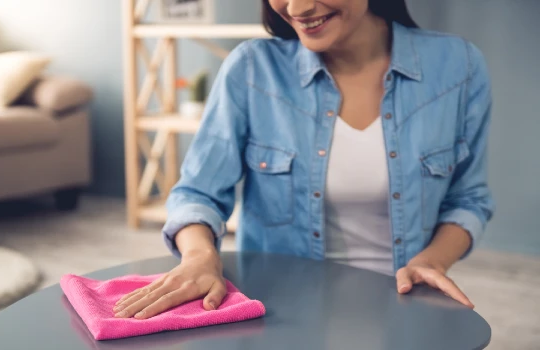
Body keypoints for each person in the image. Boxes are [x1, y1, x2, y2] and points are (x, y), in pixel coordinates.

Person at [114, 0, 494, 320]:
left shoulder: (458, 66)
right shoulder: (252, 69)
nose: (296, 8)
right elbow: (198, 191)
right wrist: (199, 256)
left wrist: (432, 262)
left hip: (405, 309)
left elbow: (468, 199)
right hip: (281, 314)